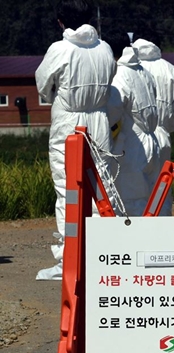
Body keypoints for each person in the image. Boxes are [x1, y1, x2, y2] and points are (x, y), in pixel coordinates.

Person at [34, 0, 116, 281]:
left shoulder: (60, 49)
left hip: (69, 121)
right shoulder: (104, 48)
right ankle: (100, 255)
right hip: (99, 122)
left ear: (60, 21)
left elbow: (43, 84)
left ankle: (70, 259)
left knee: (68, 189)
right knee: (100, 188)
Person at [106, 31, 160, 217]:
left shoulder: (119, 74)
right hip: (151, 142)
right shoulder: (143, 72)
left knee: (130, 203)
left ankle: (135, 246)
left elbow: (113, 112)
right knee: (148, 202)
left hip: (131, 145)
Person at [132, 37, 174, 216]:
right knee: (162, 190)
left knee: (135, 191)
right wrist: (165, 128)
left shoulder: (129, 69)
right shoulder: (171, 70)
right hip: (162, 136)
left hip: (135, 138)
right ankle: (162, 238)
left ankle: (137, 238)